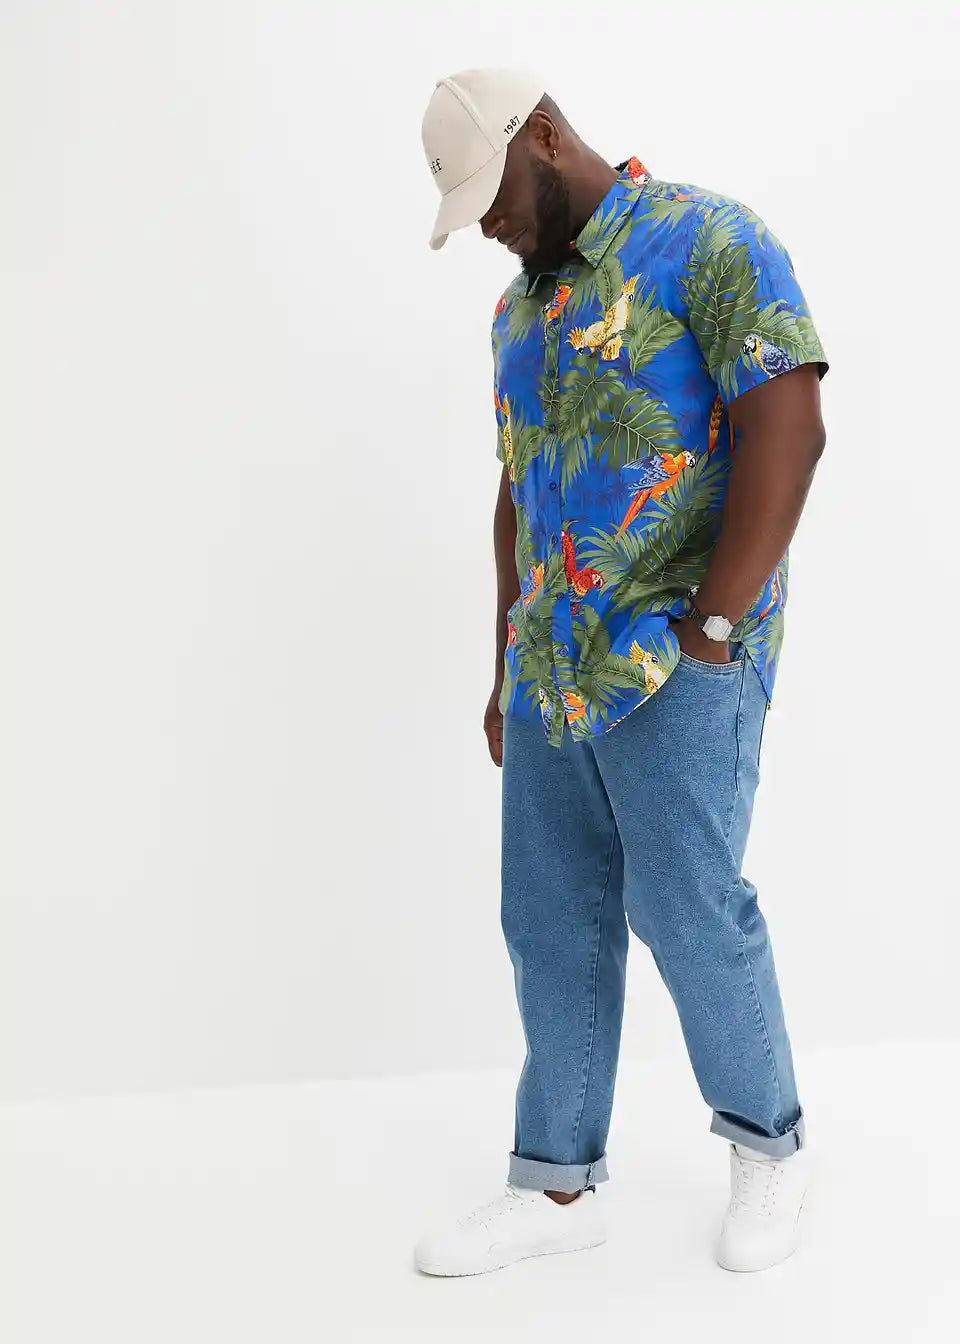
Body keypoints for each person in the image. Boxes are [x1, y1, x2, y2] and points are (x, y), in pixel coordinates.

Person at [415, 68, 828, 1277]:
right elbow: (519, 491)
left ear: (543, 137)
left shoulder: (709, 241)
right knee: (549, 920)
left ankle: (769, 1146)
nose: (488, 226)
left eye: (493, 197)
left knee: (688, 910)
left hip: (677, 656)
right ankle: (556, 1185)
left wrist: (714, 629)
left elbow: (790, 425)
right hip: (552, 666)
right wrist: (503, 664)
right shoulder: (517, 315)